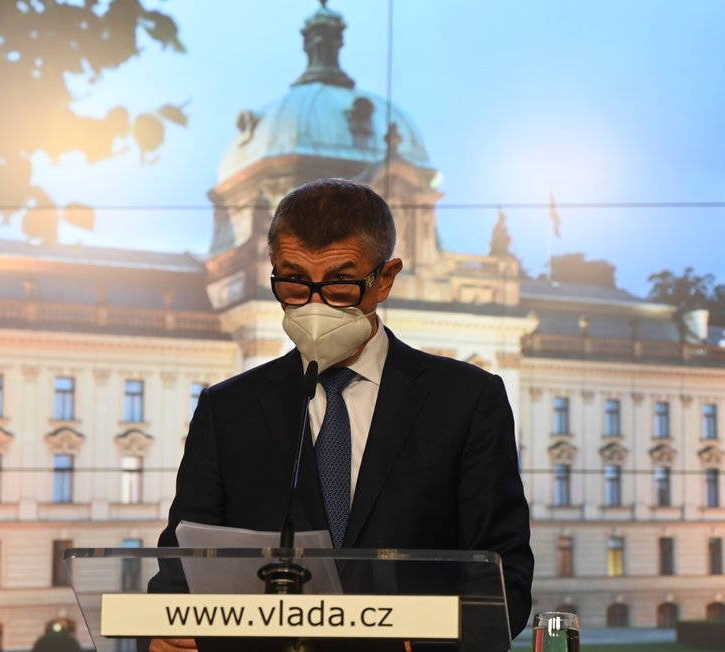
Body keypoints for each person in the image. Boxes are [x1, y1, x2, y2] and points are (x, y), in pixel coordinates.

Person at [148, 178, 533, 650]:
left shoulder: (468, 400)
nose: (313, 304)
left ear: (385, 279)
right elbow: (180, 568)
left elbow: (503, 578)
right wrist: (166, 631)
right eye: (293, 281)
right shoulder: (228, 408)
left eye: (339, 284)